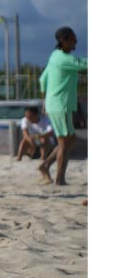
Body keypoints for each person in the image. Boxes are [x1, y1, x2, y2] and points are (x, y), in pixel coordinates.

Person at [38, 26, 87, 186]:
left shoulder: (55, 56)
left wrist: (45, 101)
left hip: (56, 104)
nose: (76, 41)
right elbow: (84, 64)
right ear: (63, 41)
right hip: (61, 105)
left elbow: (42, 78)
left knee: (69, 140)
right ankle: (59, 179)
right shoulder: (64, 59)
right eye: (73, 38)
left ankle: (45, 165)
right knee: (65, 142)